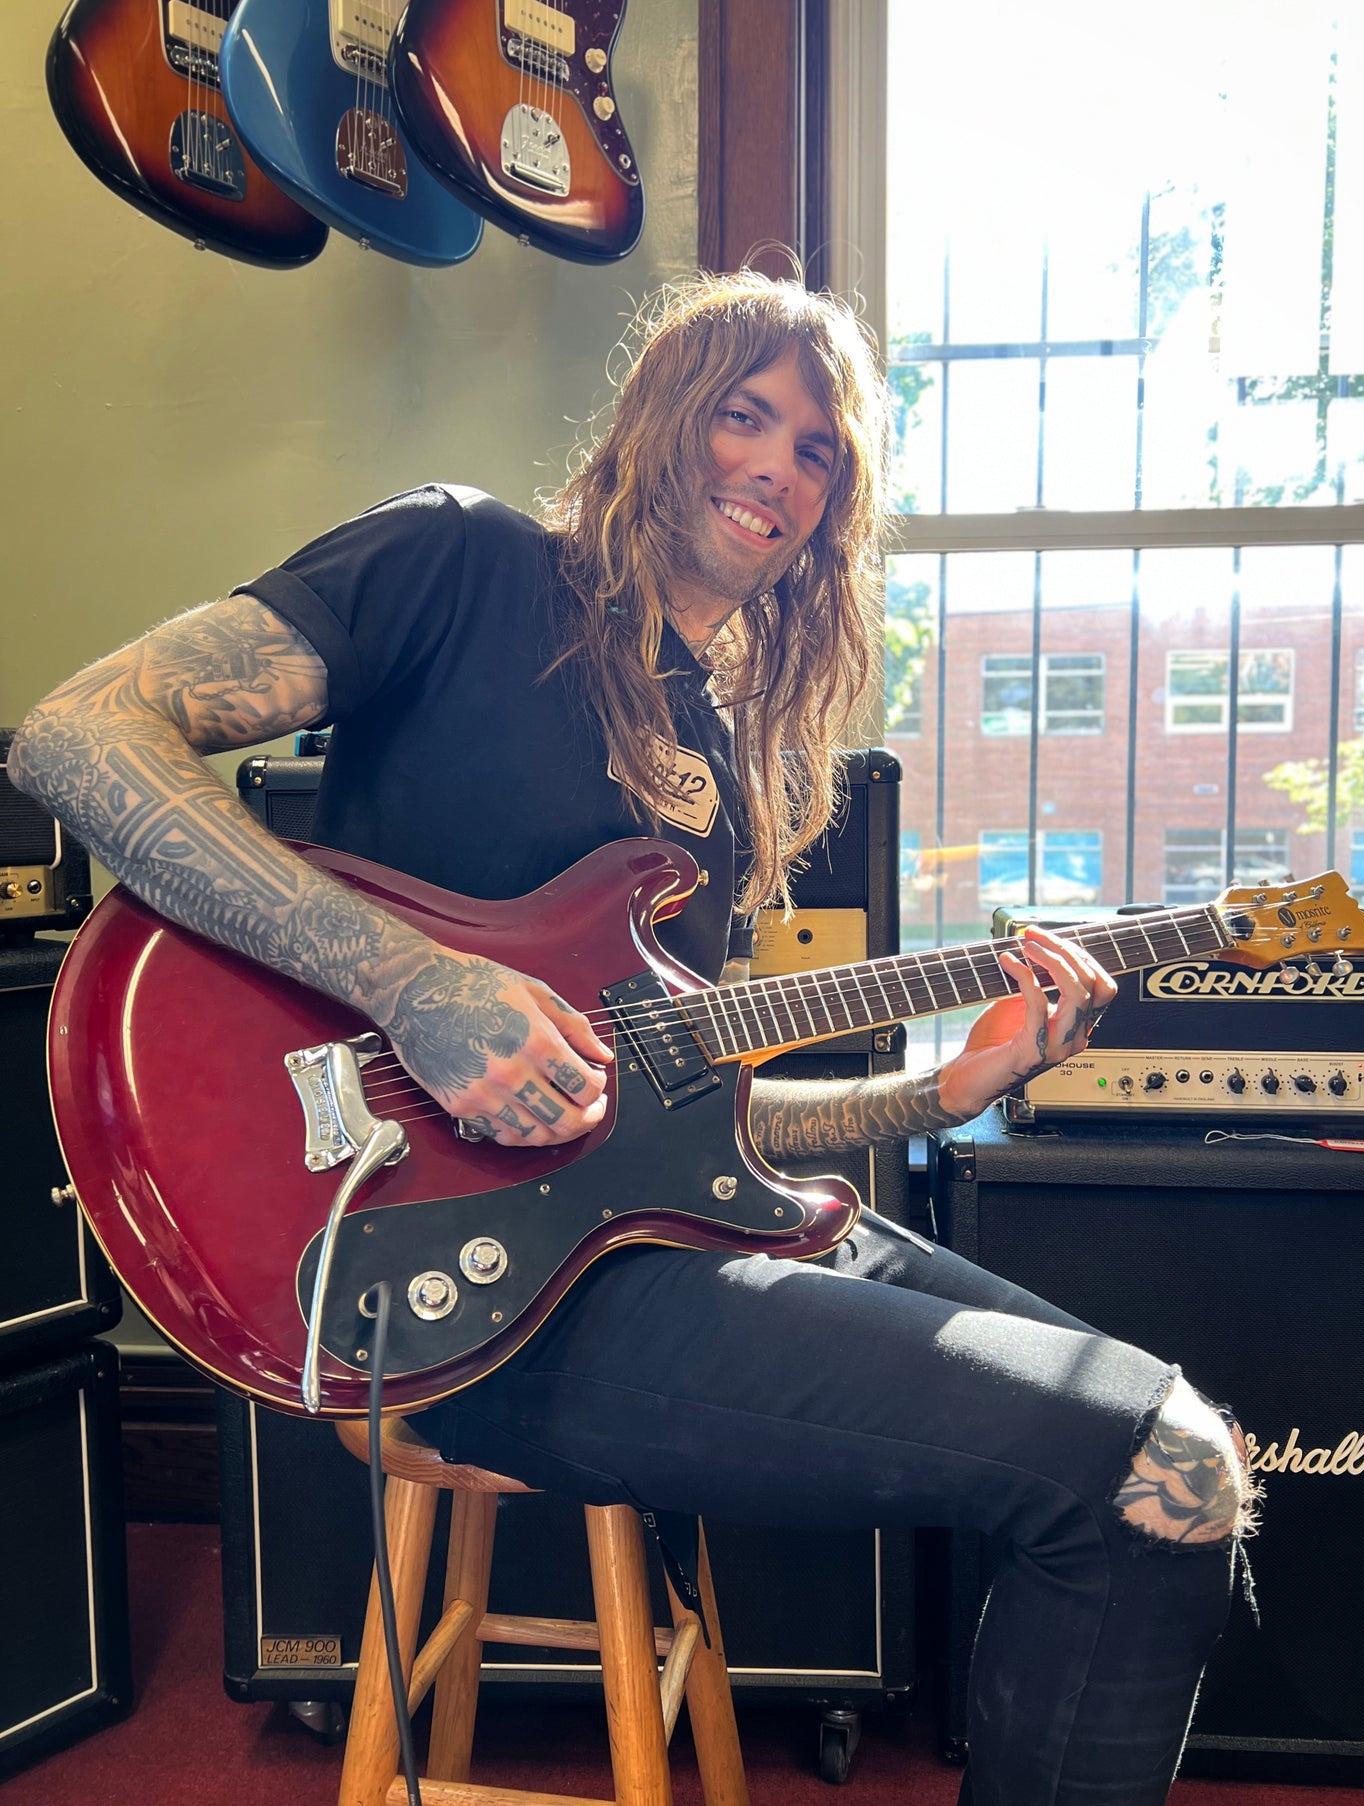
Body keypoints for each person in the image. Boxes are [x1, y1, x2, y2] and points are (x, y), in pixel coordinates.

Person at [11, 268, 1254, 1804]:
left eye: (819, 453)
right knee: (1144, 1467)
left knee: (1181, 1463)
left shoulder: (722, 765)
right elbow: (74, 734)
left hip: (662, 1242)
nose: (779, 471)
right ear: (659, 419)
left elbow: (692, 1128)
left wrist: (950, 1081)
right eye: (746, 416)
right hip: (450, 1287)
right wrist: (418, 985)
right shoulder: (463, 561)